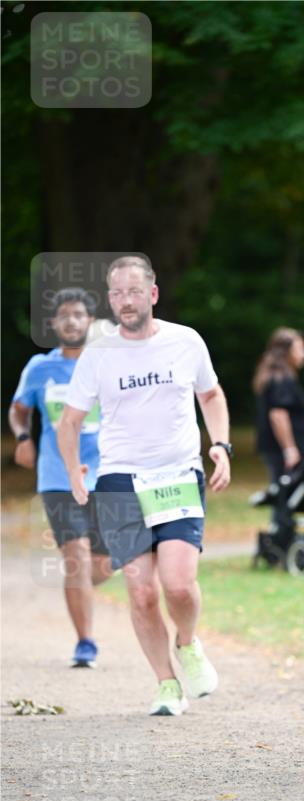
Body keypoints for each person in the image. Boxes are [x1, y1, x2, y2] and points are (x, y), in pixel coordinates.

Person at [57, 256, 232, 716]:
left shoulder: (185, 341)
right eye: (117, 293)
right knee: (141, 591)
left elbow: (210, 395)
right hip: (119, 481)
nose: (125, 301)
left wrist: (222, 445)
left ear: (152, 294)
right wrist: (74, 468)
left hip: (176, 474)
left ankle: (189, 643)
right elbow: (70, 421)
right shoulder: (99, 352)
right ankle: (166, 683)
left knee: (177, 584)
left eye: (134, 291)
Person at [9, 288, 112, 668]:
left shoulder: (105, 365)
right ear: (53, 324)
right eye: (64, 315)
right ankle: (85, 642)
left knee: (103, 565)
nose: (71, 320)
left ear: (89, 321)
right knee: (78, 557)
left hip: (106, 475)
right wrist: (23, 437)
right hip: (57, 477)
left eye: (78, 314)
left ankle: (83, 581)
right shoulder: (40, 368)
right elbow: (18, 410)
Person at [253, 327, 304, 483]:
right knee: (284, 497)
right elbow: (278, 415)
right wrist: (289, 449)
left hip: (274, 448)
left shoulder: (277, 375)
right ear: (285, 352)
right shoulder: (281, 380)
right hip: (281, 450)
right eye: (300, 349)